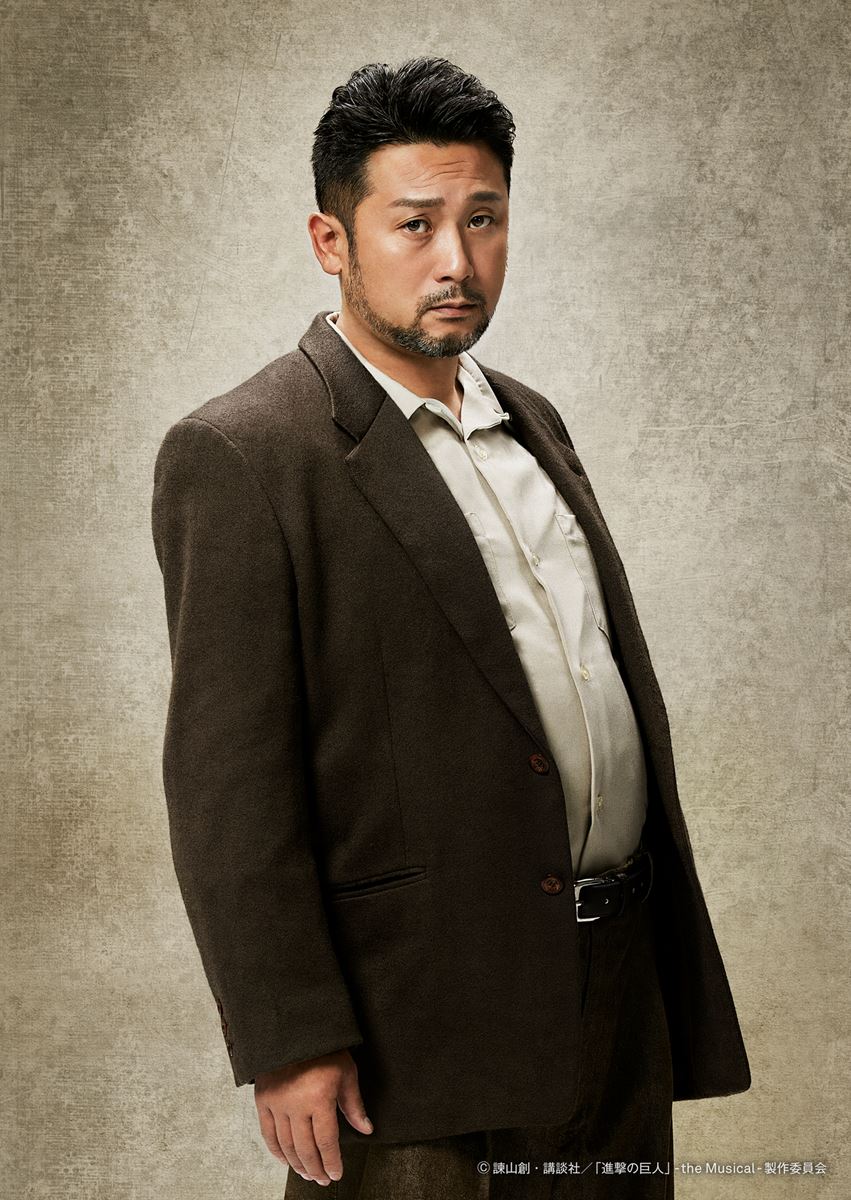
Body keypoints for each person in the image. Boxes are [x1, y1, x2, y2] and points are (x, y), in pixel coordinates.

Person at [151, 57, 751, 1199]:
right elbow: (227, 784)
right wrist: (290, 1037)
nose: (456, 262)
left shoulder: (533, 420)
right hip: (413, 1017)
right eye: (414, 223)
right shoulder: (245, 453)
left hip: (615, 979)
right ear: (331, 241)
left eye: (482, 219)